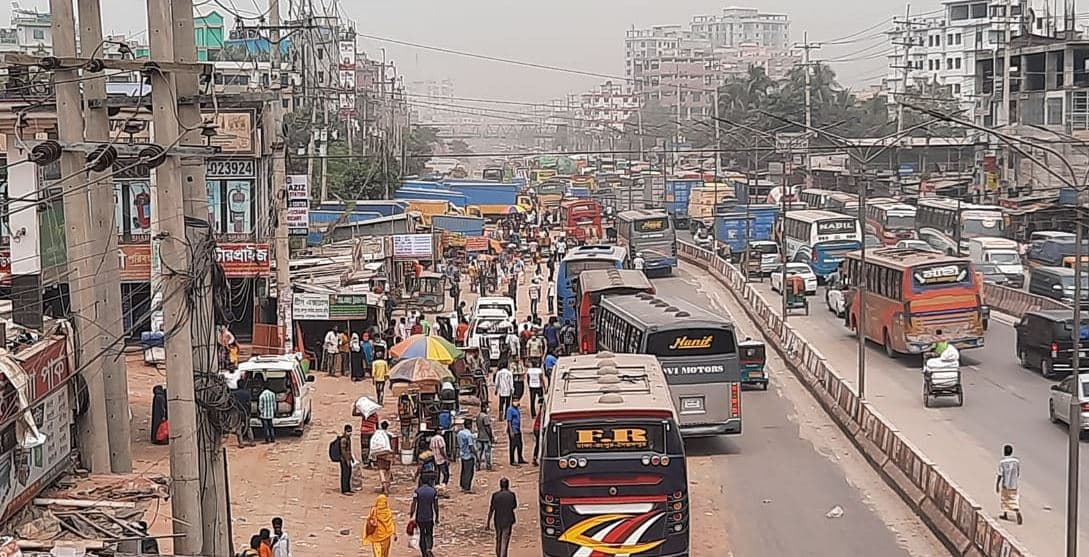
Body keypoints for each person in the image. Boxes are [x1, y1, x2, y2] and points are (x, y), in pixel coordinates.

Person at [485, 478, 518, 557]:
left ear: (500, 485)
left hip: (498, 519)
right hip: (508, 519)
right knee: (505, 539)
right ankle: (503, 555)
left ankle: (499, 554)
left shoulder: (495, 495)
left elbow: (491, 509)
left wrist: (488, 523)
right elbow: (514, 506)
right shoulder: (511, 495)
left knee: (498, 539)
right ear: (508, 485)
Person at [410, 477, 439, 557]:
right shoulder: (433, 491)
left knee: (422, 534)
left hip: (420, 517)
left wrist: (411, 514)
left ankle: (424, 553)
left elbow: (414, 504)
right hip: (429, 517)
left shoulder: (417, 491)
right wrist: (437, 517)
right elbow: (436, 506)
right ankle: (429, 548)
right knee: (429, 533)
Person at [996, 444, 1023, 524]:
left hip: (1006, 484)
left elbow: (1000, 474)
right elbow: (1018, 473)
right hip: (1014, 484)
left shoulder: (1002, 462)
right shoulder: (1016, 461)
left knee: (1005, 499)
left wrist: (997, 484)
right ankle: (1015, 511)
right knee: (1013, 499)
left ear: (1004, 452)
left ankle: (1006, 514)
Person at [371, 421, 394, 494]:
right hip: (387, 454)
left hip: (379, 455)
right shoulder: (389, 435)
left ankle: (384, 487)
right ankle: (386, 488)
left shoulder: (377, 434)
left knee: (381, 471)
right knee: (387, 471)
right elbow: (393, 446)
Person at [232, 377, 254, 447]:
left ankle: (241, 443)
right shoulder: (247, 393)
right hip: (246, 413)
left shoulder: (234, 393)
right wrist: (250, 412)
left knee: (238, 427)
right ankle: (252, 442)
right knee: (248, 427)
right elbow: (249, 403)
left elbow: (232, 404)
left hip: (238, 413)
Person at [457, 420, 477, 492]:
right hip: (468, 455)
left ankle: (462, 485)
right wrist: (476, 455)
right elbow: (471, 446)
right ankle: (467, 487)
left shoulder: (460, 433)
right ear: (469, 425)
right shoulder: (469, 435)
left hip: (462, 454)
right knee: (469, 472)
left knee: (463, 471)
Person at [506, 400, 526, 465]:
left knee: (520, 445)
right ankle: (512, 461)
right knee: (513, 446)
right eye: (515, 401)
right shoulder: (510, 410)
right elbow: (509, 421)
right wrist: (511, 431)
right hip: (513, 430)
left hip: (518, 429)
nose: (517, 402)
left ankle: (520, 458)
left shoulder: (516, 409)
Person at [257, 378, 277, 444]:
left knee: (265, 428)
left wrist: (260, 412)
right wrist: (274, 411)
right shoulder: (272, 394)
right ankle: (273, 438)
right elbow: (274, 404)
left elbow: (260, 406)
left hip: (264, 415)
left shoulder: (261, 395)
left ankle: (267, 440)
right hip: (271, 414)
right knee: (271, 426)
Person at [337, 424, 354, 495]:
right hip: (344, 459)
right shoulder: (343, 440)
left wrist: (351, 457)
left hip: (348, 459)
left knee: (349, 473)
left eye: (350, 431)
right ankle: (344, 490)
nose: (350, 433)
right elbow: (343, 451)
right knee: (345, 474)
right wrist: (347, 459)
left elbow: (349, 450)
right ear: (345, 431)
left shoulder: (348, 439)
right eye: (348, 431)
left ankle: (348, 488)